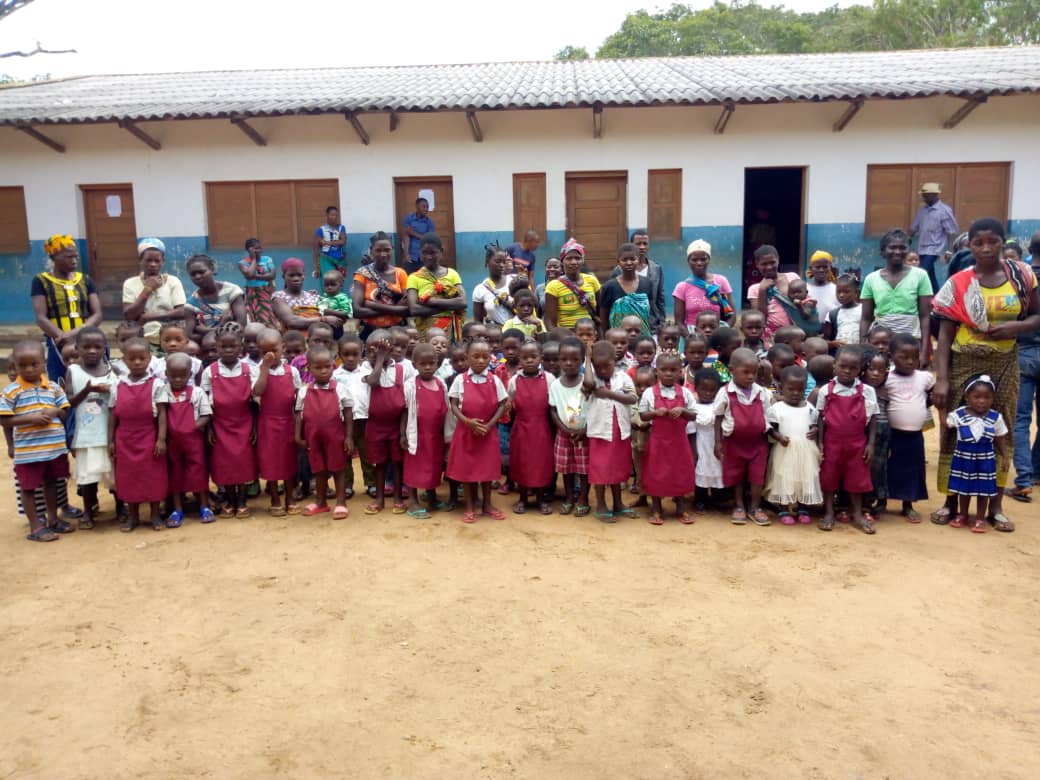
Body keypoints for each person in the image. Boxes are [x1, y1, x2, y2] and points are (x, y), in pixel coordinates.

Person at [932, 217, 1040, 532]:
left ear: (1004, 243)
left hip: (1005, 361)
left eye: (992, 242)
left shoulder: (1022, 276)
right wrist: (942, 378)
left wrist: (1015, 327)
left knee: (1000, 431)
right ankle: (952, 502)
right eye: (978, 242)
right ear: (970, 245)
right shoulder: (958, 283)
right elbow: (945, 337)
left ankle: (995, 507)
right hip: (964, 360)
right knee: (954, 431)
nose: (985, 248)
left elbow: (1037, 316)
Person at [0, 340, 73, 542]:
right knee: (29, 488)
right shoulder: (11, 391)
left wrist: (56, 411)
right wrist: (30, 419)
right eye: (22, 366)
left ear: (44, 363)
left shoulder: (54, 388)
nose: (29, 369)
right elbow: (4, 419)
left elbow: (65, 413)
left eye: (34, 364)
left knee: (52, 483)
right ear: (15, 366)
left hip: (54, 448)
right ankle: (35, 526)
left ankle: (53, 519)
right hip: (29, 451)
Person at [108, 337, 168, 532]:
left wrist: (161, 439)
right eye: (132, 359)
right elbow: (112, 415)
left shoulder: (157, 384)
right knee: (128, 477)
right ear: (124, 360)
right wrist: (110, 441)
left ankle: (155, 514)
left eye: (141, 358)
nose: (137, 362)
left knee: (153, 476)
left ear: (149, 358)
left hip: (148, 435)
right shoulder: (117, 385)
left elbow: (162, 413)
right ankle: (132, 516)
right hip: (124, 437)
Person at [817, 345, 878, 534]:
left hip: (857, 442)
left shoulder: (867, 391)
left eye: (852, 368)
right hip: (831, 441)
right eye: (842, 366)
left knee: (856, 478)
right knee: (828, 477)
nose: (847, 371)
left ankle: (858, 514)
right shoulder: (826, 390)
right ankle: (828, 512)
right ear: (834, 366)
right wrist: (819, 442)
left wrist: (871, 443)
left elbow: (873, 418)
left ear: (860, 369)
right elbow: (820, 418)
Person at [447, 339, 508, 523]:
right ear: (467, 358)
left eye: (485, 357)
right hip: (466, 432)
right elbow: (454, 404)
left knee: (487, 471)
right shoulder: (460, 379)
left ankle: (487, 505)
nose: (481, 361)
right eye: (476, 356)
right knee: (467, 471)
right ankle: (470, 506)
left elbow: (502, 404)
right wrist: (467, 422)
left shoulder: (494, 379)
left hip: (488, 433)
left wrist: (489, 425)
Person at [201, 322, 258, 518]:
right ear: (216, 347)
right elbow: (204, 405)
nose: (227, 350)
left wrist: (254, 427)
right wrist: (209, 429)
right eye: (222, 347)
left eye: (232, 346)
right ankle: (229, 500)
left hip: (244, 422)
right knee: (224, 464)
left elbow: (255, 402)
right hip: (219, 424)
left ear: (240, 346)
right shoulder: (210, 372)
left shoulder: (249, 370)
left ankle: (241, 501)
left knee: (243, 463)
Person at [32, 234, 103, 382]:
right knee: (62, 381)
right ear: (53, 257)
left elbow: (97, 315)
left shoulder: (85, 280)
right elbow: (41, 317)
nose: (74, 260)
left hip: (88, 341)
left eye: (76, 256)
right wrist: (62, 337)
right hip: (58, 342)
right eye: (68, 257)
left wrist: (75, 334)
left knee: (93, 378)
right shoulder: (41, 281)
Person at [714, 348, 772, 526]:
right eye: (745, 372)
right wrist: (718, 443)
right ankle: (739, 506)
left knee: (757, 476)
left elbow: (767, 416)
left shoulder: (762, 393)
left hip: (757, 442)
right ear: (732, 371)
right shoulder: (725, 393)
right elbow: (718, 418)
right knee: (736, 475)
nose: (750, 376)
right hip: (733, 442)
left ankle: (755, 507)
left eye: (754, 372)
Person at [945, 374, 1009, 533]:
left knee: (983, 491)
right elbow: (946, 424)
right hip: (963, 459)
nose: (982, 401)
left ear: (993, 399)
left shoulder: (996, 418)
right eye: (977, 397)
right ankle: (963, 514)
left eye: (987, 397)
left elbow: (1000, 438)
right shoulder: (958, 415)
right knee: (963, 489)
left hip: (985, 461)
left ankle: (980, 518)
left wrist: (1005, 457)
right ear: (967, 397)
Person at [65, 326, 115, 530]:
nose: (92, 351)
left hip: (108, 433)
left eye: (97, 347)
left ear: (105, 348)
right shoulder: (73, 371)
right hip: (85, 435)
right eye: (86, 347)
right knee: (87, 477)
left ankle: (121, 507)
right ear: (77, 348)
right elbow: (69, 402)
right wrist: (88, 389)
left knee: (114, 475)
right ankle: (88, 509)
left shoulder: (113, 370)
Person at [582, 340, 638, 522]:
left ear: (615, 360)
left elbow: (631, 398)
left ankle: (618, 503)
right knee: (600, 469)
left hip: (620, 431)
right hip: (600, 433)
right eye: (598, 367)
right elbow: (588, 383)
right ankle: (601, 505)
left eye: (607, 365)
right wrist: (588, 359)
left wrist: (610, 395)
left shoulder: (623, 378)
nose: (603, 370)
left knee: (617, 468)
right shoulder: (592, 380)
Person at [294, 345, 353, 519]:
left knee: (338, 468)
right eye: (318, 368)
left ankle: (341, 502)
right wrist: (298, 436)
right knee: (318, 469)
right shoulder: (304, 390)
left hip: (335, 436)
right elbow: (299, 414)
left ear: (333, 366)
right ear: (309, 368)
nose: (323, 371)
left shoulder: (340, 388)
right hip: (313, 437)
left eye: (327, 367)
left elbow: (348, 412)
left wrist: (349, 437)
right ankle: (321, 502)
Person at [639, 350, 697, 525]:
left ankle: (680, 507)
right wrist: (655, 413)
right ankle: (656, 508)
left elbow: (694, 415)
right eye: (664, 369)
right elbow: (643, 415)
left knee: (679, 472)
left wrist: (683, 411)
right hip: (658, 442)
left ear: (680, 371)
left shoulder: (685, 393)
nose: (669, 373)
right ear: (657, 371)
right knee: (656, 473)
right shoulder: (650, 392)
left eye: (673, 370)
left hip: (679, 442)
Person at [859, 229, 932, 364]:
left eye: (902, 248)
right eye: (892, 247)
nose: (897, 252)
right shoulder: (871, 279)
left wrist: (924, 351)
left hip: (911, 340)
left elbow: (925, 316)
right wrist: (863, 348)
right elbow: (866, 318)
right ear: (882, 251)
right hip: (881, 343)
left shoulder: (920, 275)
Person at [252, 329, 302, 517]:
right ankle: (274, 497)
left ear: (283, 348)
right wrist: (265, 368)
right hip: (267, 422)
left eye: (274, 350)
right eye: (264, 352)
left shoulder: (292, 371)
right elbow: (258, 391)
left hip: (287, 421)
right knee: (270, 461)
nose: (270, 354)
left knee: (289, 461)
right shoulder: (256, 371)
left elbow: (297, 398)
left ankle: (290, 497)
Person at [885, 333, 933, 522]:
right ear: (891, 357)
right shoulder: (886, 378)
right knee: (887, 468)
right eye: (903, 357)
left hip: (914, 434)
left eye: (914, 357)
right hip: (891, 433)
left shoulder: (924, 377)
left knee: (912, 469)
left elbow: (934, 393)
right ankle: (881, 502)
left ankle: (908, 504)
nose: (910, 361)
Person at [363, 329, 412, 515]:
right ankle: (380, 498)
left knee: (397, 462)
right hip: (375, 425)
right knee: (380, 463)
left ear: (392, 351)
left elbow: (406, 404)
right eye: (371, 350)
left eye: (381, 349)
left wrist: (402, 432)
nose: (374, 354)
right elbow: (373, 382)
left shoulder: (402, 370)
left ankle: (398, 497)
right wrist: (380, 359)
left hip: (396, 425)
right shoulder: (367, 368)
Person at [162, 352, 214, 526]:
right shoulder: (163, 392)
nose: (177, 379)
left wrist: (193, 426)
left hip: (194, 441)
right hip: (172, 442)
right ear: (166, 374)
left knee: (199, 471)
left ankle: (204, 507)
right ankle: (177, 510)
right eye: (173, 375)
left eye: (182, 375)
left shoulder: (197, 392)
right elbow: (160, 415)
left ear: (190, 375)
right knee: (174, 473)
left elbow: (206, 414)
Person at [765, 364, 821, 525]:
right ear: (782, 387)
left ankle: (802, 507)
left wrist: (815, 430)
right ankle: (784, 508)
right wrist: (778, 436)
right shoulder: (777, 408)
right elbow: (770, 428)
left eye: (800, 390)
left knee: (805, 477)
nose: (796, 393)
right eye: (791, 389)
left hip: (806, 450)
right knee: (785, 478)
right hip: (785, 449)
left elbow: (814, 424)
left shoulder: (809, 408)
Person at [399, 343, 449, 518]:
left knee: (434, 466)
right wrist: (403, 434)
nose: (428, 367)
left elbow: (447, 410)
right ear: (415, 365)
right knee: (415, 466)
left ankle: (432, 496)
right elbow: (405, 411)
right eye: (423, 364)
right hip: (417, 435)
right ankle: (413, 501)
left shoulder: (441, 384)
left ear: (437, 363)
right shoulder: (410, 385)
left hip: (436, 435)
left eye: (432, 363)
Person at [1010, 230, 1040, 501]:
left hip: (1025, 350)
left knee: (1020, 419)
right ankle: (1037, 470)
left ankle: (1024, 478)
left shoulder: (1023, 278)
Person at [123, 238, 187, 349]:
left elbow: (182, 311)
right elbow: (129, 315)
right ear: (140, 260)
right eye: (148, 260)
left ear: (163, 261)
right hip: (142, 339)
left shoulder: (173, 281)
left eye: (157, 261)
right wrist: (147, 289)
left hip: (170, 339)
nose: (153, 264)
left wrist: (148, 317)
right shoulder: (130, 283)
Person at [550, 337, 590, 516]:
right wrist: (564, 429)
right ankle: (568, 497)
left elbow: (595, 408)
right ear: (559, 360)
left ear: (582, 361)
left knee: (583, 469)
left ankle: (583, 498)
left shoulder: (586, 384)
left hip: (584, 434)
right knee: (565, 468)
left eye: (575, 359)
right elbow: (552, 410)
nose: (569, 363)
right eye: (564, 359)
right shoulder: (556, 385)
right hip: (564, 434)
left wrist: (585, 430)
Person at [406, 234, 467, 341]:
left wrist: (432, 302)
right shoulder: (414, 277)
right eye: (425, 253)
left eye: (433, 252)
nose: (429, 257)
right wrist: (450, 305)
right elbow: (414, 309)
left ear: (441, 251)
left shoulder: (452, 274)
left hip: (450, 330)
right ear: (420, 253)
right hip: (427, 331)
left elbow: (463, 303)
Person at [351, 232, 410, 340]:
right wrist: (395, 309)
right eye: (378, 250)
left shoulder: (400, 273)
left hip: (396, 332)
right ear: (371, 250)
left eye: (387, 250)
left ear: (392, 249)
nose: (383, 254)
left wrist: (371, 305)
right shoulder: (362, 274)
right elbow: (357, 311)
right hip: (370, 332)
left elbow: (407, 309)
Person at [334, 334, 372, 499]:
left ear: (361, 353)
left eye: (354, 354)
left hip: (364, 419)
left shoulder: (366, 371)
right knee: (345, 454)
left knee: (367, 454)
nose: (350, 358)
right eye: (346, 354)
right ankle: (347, 486)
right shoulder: (335, 375)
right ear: (339, 354)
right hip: (343, 421)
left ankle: (371, 484)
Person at [672, 239, 735, 335]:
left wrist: (721, 334)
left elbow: (732, 316)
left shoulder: (721, 282)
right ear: (688, 261)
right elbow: (679, 323)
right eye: (694, 260)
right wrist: (692, 339)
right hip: (691, 337)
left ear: (709, 260)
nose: (699, 263)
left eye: (703, 259)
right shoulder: (682, 287)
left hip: (717, 336)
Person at [608, 230, 666, 331]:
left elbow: (660, 299)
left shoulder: (655, 268)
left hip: (650, 323)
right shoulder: (619, 270)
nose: (642, 247)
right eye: (638, 244)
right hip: (625, 324)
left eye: (645, 244)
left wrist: (662, 321)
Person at [183, 254, 246, 341]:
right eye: (193, 274)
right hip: (207, 342)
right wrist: (216, 330)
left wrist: (206, 331)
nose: (197, 276)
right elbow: (190, 335)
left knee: (255, 330)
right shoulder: (191, 303)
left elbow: (241, 323)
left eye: (201, 272)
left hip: (236, 336)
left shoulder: (232, 290)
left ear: (212, 269)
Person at [909, 182, 959, 292]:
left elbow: (951, 231)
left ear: (935, 195)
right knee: (930, 277)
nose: (924, 197)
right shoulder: (923, 210)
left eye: (926, 195)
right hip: (921, 248)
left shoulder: (944, 211)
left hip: (934, 249)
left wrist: (949, 251)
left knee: (921, 273)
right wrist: (907, 239)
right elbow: (914, 228)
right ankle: (937, 297)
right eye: (923, 195)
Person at [746, 245, 802, 340]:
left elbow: (804, 303)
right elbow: (760, 318)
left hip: (796, 334)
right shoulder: (754, 289)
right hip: (772, 337)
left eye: (772, 262)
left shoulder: (792, 278)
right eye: (764, 264)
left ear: (778, 260)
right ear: (757, 264)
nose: (769, 267)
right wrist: (762, 290)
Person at [544, 239, 600, 330]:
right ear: (562, 261)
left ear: (582, 260)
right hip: (566, 335)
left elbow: (600, 314)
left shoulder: (592, 281)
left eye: (577, 258)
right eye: (569, 258)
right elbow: (550, 323)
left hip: (590, 334)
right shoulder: (553, 286)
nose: (574, 262)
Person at [599, 243, 653, 336]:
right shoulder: (609, 287)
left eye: (632, 259)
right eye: (624, 260)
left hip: (642, 339)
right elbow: (604, 318)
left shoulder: (647, 283)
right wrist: (605, 336)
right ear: (618, 262)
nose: (629, 263)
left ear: (638, 260)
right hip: (617, 339)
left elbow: (650, 312)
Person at [690, 368, 723, 508]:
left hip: (716, 444)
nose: (708, 393)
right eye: (704, 389)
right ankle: (700, 498)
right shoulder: (693, 407)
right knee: (700, 469)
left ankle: (716, 498)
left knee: (717, 469)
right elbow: (691, 430)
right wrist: (693, 451)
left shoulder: (719, 406)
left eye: (712, 390)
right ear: (696, 388)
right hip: (700, 443)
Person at [238, 238, 278, 329]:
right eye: (255, 249)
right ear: (248, 250)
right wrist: (254, 260)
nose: (258, 251)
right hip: (251, 293)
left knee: (267, 314)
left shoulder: (267, 259)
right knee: (252, 314)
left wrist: (255, 277)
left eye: (259, 248)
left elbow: (272, 275)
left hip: (266, 291)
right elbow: (249, 274)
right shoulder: (242, 263)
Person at [472, 245, 515, 325]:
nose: (502, 265)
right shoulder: (480, 289)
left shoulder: (513, 281)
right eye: (498, 261)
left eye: (504, 262)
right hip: (495, 335)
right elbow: (478, 322)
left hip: (516, 334)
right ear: (487, 262)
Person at [822, 274, 862, 348]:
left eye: (846, 292)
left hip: (860, 354)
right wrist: (833, 343)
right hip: (839, 355)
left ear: (856, 292)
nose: (841, 295)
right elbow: (825, 340)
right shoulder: (832, 314)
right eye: (838, 292)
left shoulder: (864, 311)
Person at [400, 198, 435, 273]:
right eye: (424, 206)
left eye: (427, 207)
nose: (426, 209)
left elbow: (428, 239)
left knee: (423, 280)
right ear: (417, 206)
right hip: (411, 256)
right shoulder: (408, 219)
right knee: (409, 280)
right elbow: (406, 236)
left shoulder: (429, 222)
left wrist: (412, 232)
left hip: (424, 257)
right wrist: (406, 254)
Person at [313, 206, 347, 279]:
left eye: (336, 215)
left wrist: (327, 243)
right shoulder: (321, 230)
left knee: (339, 282)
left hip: (339, 260)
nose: (334, 217)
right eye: (332, 215)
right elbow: (316, 248)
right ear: (327, 215)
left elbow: (343, 242)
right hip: (326, 259)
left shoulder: (341, 228)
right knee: (329, 280)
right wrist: (317, 266)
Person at [806, 250, 839, 323]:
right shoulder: (805, 289)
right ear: (811, 269)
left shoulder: (837, 290)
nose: (821, 270)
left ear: (830, 268)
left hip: (831, 332)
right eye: (817, 267)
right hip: (809, 333)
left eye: (825, 267)